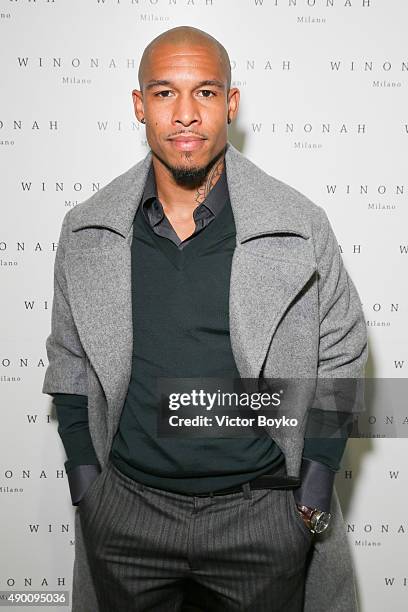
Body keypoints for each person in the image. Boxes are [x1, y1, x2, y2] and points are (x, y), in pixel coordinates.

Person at [42, 25, 368, 612]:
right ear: (140, 105)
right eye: (165, 93)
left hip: (262, 517)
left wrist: (313, 486)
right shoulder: (87, 230)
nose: (186, 114)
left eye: (206, 93)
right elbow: (67, 362)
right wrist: (88, 489)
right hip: (127, 519)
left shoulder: (298, 224)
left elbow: (342, 351)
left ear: (231, 104)